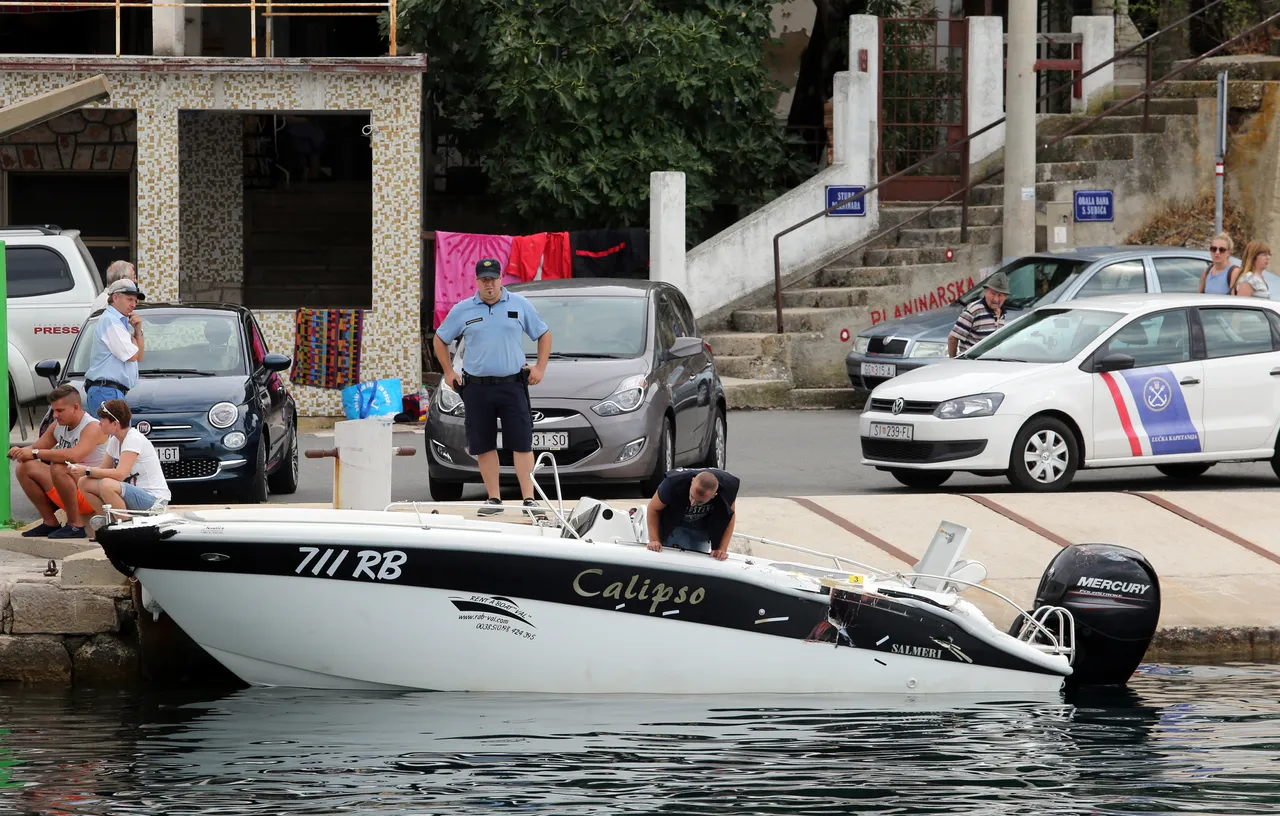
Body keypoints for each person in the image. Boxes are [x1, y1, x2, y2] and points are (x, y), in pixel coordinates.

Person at [432, 258, 552, 517]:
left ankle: (529, 500)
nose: (489, 284)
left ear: (501, 279)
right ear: (477, 281)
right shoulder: (463, 309)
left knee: (521, 443)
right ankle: (494, 498)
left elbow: (543, 334)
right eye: (484, 279)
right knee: (483, 444)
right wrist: (449, 371)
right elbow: (440, 340)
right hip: (477, 388)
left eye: (493, 279)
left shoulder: (519, 304)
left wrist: (540, 368)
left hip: (512, 385)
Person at [7, 384, 108, 539]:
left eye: (60, 410)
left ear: (75, 407)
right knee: (24, 467)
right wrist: (20, 451)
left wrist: (33, 453)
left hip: (92, 493)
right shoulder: (58, 426)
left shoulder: (92, 427)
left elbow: (74, 455)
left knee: (59, 467)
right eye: (53, 410)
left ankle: (75, 526)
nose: (55, 415)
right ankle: (50, 523)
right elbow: (36, 447)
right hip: (69, 488)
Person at [77, 399, 171, 535]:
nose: (99, 423)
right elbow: (102, 470)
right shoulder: (115, 440)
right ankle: (112, 523)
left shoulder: (133, 439)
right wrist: (79, 470)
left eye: (102, 420)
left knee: (107, 485)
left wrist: (86, 470)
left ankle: (126, 531)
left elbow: (121, 474)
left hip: (154, 501)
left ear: (115, 423)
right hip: (134, 495)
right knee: (84, 483)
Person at [645, 468, 740, 562]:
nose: (692, 503)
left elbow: (729, 517)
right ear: (692, 481)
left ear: (714, 495)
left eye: (699, 502)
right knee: (677, 561)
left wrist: (722, 548)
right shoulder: (672, 483)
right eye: (692, 496)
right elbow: (653, 509)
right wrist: (654, 540)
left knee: (697, 562)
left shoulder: (728, 487)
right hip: (676, 525)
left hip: (702, 529)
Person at [84, 278, 146, 416]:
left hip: (110, 391)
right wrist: (133, 338)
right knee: (115, 437)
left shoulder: (120, 322)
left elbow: (139, 357)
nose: (133, 305)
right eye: (130, 299)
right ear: (116, 298)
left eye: (135, 301)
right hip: (106, 391)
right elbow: (132, 356)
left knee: (118, 437)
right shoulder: (110, 321)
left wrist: (137, 331)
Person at [947, 271, 1010, 357]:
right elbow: (952, 338)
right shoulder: (974, 310)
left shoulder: (1002, 313)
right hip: (972, 365)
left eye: (1000, 295)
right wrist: (953, 361)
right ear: (985, 291)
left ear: (1005, 296)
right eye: (993, 293)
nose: (995, 299)